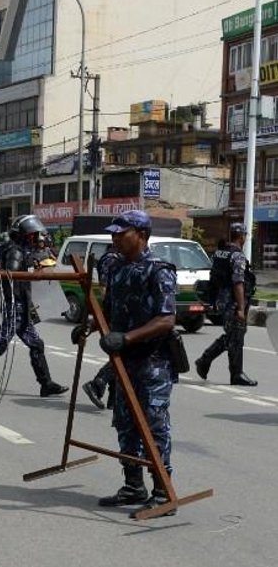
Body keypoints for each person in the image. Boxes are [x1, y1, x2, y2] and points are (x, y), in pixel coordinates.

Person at [96, 210, 178, 517]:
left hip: (152, 361)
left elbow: (166, 320)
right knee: (125, 424)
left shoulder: (159, 270)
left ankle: (162, 491)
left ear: (141, 235)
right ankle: (133, 485)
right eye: (113, 233)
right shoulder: (117, 268)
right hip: (123, 362)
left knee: (154, 427)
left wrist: (127, 338)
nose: (115, 238)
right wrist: (90, 325)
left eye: (121, 233)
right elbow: (108, 308)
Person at [0, 215, 68, 398]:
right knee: (0, 344)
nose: (36, 238)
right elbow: (12, 277)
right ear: (24, 234)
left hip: (20, 306)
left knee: (36, 344)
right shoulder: (15, 252)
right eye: (33, 234)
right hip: (15, 306)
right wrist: (32, 275)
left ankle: (46, 384)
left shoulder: (18, 250)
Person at [194, 223, 258, 386]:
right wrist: (241, 308)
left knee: (233, 335)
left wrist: (214, 301)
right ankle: (235, 374)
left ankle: (205, 361)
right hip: (233, 302)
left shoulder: (220, 253)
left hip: (222, 300)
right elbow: (238, 283)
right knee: (235, 336)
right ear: (242, 236)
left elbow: (214, 278)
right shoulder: (237, 256)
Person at [80, 246, 123, 410]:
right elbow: (105, 290)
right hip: (117, 313)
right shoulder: (111, 259)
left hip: (120, 312)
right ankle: (98, 383)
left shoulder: (123, 259)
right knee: (123, 354)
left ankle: (113, 397)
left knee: (118, 353)